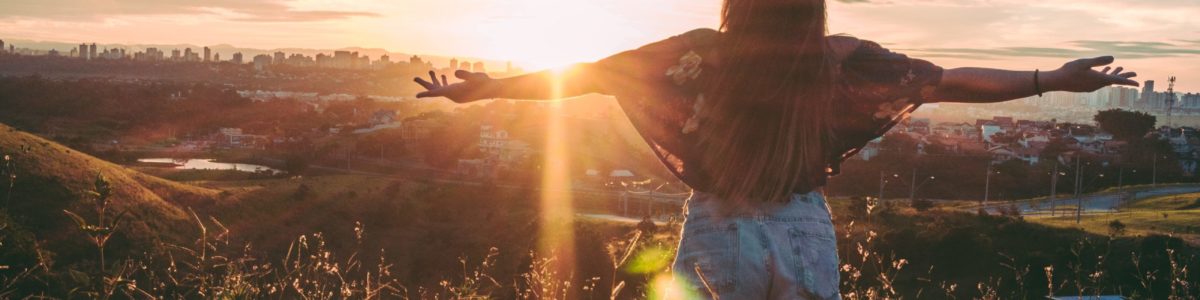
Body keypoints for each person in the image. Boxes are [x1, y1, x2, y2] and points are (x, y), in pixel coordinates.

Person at [413, 0, 1138, 298]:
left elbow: (582, 78)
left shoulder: (700, 57)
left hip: (721, 224)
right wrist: (1050, 77)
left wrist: (482, 91)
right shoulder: (841, 62)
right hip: (804, 228)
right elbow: (950, 82)